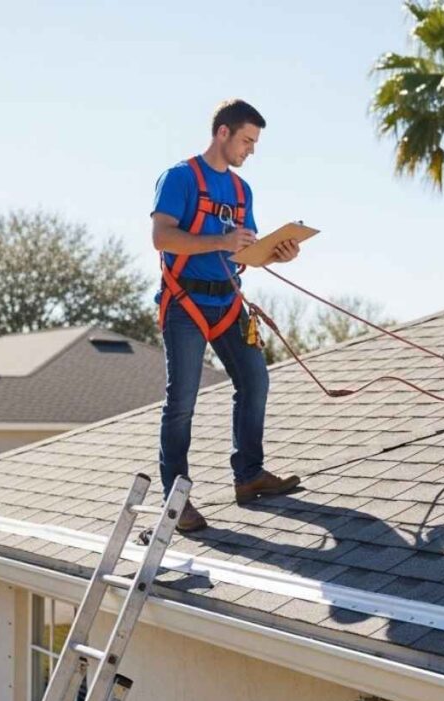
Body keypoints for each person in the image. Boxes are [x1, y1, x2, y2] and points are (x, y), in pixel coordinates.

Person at [152, 99, 302, 532]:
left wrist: (278, 255)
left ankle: (249, 475)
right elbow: (162, 237)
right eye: (246, 141)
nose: (250, 150)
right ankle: (176, 501)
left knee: (255, 381)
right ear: (222, 133)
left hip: (228, 300)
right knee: (181, 403)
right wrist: (220, 240)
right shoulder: (180, 178)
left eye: (254, 143)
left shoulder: (241, 192)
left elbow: (244, 252)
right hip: (186, 303)